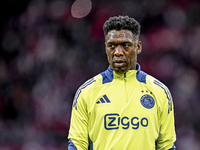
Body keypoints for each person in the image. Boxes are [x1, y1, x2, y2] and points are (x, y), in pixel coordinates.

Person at [68, 15, 176, 150]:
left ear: (138, 47)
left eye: (125, 45)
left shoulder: (160, 91)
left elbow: (166, 146)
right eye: (112, 46)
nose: (118, 52)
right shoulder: (86, 92)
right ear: (105, 48)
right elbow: (77, 144)